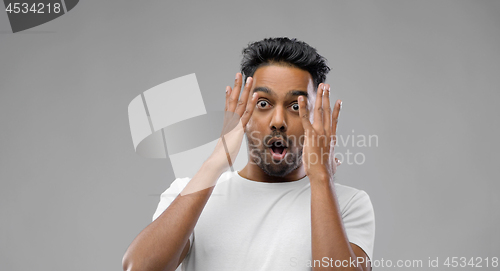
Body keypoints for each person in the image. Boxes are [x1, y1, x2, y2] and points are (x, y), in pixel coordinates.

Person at [122, 37, 375, 271]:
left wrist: (321, 179)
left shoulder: (349, 204)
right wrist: (214, 163)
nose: (278, 121)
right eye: (263, 104)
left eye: (296, 106)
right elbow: (138, 267)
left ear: (317, 116)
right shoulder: (191, 192)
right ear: (243, 111)